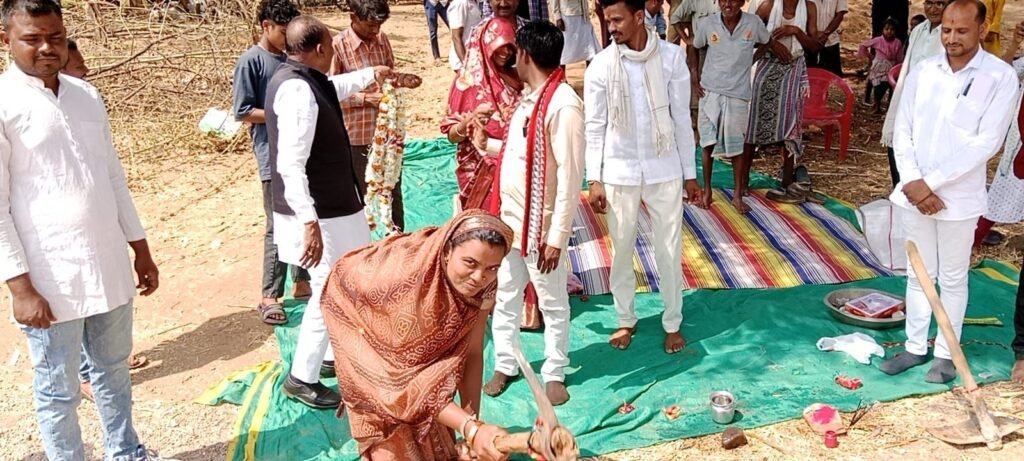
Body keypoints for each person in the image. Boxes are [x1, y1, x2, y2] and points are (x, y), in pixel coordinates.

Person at [0, 1, 170, 459]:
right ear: (6, 41)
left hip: (108, 263)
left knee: (113, 371)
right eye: (32, 38)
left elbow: (112, 176)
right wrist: (19, 286)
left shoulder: (84, 95)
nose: (46, 48)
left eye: (54, 37)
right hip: (48, 277)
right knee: (58, 390)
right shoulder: (3, 104)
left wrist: (140, 248)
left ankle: (125, 451)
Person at [880, 0, 1017, 384]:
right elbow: (903, 129)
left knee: (953, 277)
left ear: (982, 27)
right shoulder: (924, 70)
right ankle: (914, 346)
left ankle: (945, 352)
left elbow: (986, 142)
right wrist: (912, 182)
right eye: (946, 30)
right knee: (918, 273)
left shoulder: (1000, 77)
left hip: (957, 197)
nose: (951, 38)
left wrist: (931, 183)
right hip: (913, 191)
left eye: (961, 30)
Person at [265, 15, 395, 409]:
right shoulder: (298, 91)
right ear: (321, 49)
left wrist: (376, 73)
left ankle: (326, 357)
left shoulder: (301, 79)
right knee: (330, 289)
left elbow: (332, 88)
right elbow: (290, 164)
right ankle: (300, 377)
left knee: (347, 277)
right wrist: (309, 221)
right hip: (320, 214)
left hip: (334, 207)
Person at [322, 210, 514, 460]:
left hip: (409, 361)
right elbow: (401, 385)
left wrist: (471, 427)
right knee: (390, 419)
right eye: (470, 263)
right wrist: (471, 428)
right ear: (446, 252)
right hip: (353, 313)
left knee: (435, 428)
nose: (479, 277)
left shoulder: (484, 283)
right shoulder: (410, 287)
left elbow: (474, 351)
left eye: (492, 268)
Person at [585, 0, 701, 354]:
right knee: (621, 249)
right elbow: (595, 127)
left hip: (663, 168)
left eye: (618, 20)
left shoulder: (670, 58)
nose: (612, 28)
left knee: (668, 248)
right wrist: (595, 179)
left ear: (639, 18)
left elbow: (681, 118)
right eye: (608, 21)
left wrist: (690, 174)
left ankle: (672, 322)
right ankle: (625, 319)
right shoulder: (601, 65)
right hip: (619, 171)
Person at [482, 21, 584, 406]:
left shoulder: (563, 106)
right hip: (511, 225)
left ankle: (554, 370)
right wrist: (489, 146)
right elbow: (520, 154)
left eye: (515, 53)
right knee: (506, 297)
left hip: (540, 232)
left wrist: (556, 238)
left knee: (553, 304)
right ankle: (505, 363)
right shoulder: (531, 99)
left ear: (526, 55)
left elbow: (571, 180)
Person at [61, 37, 151, 403]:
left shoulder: (86, 103)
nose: (86, 73)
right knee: (79, 306)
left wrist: (137, 243)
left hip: (101, 235)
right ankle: (85, 374)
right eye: (79, 68)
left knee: (102, 310)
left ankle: (101, 367)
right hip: (64, 247)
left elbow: (111, 175)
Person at [232, 0, 310, 327]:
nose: (287, 38)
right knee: (277, 224)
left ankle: (302, 280)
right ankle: (269, 294)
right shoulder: (252, 62)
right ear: (266, 26)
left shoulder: (290, 59)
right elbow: (243, 111)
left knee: (305, 214)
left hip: (299, 153)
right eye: (282, 32)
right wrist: (281, 114)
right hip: (271, 156)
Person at [330, 0, 422, 233]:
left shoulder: (382, 40)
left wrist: (403, 80)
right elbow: (330, 92)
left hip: (388, 133)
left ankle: (397, 240)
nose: (375, 31)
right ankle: (363, 247)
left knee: (393, 188)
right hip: (356, 135)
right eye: (370, 25)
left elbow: (389, 76)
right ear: (354, 18)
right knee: (363, 194)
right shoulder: (338, 46)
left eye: (379, 25)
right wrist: (366, 100)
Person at [693, 0, 770, 213]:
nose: (728, 4)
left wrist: (751, 60)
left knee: (737, 146)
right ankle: (707, 191)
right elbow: (695, 47)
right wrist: (695, 77)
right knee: (707, 142)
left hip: (738, 93)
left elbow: (767, 41)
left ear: (742, 2)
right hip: (710, 91)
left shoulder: (753, 23)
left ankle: (736, 195)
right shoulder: (708, 24)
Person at [442, 11, 523, 210]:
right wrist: (469, 121)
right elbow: (451, 136)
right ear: (485, 45)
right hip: (479, 171)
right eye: (500, 48)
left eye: (510, 48)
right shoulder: (466, 83)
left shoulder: (518, 79)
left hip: (513, 165)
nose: (506, 54)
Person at [746, 0, 819, 199]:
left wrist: (795, 31)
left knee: (791, 126)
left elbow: (814, 46)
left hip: (793, 69)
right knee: (754, 122)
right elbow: (749, 33)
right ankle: (742, 180)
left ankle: (787, 181)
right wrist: (771, 43)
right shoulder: (768, 5)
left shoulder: (809, 7)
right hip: (767, 66)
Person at [882, 0, 948, 188]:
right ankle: (900, 191)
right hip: (909, 98)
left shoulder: (951, 32)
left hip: (934, 103)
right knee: (897, 145)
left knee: (923, 153)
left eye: (940, 4)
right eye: (929, 3)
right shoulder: (919, 30)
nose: (933, 9)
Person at [973, 21, 1024, 248]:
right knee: (1002, 193)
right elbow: (1000, 73)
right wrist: (1014, 44)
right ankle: (969, 244)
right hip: (1020, 144)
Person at [669, 0, 719, 107]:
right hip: (701, 51)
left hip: (720, 51)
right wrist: (687, 39)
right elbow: (675, 18)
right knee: (698, 90)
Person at [858, 18, 904, 113]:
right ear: (882, 30)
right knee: (877, 86)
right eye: (887, 29)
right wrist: (870, 56)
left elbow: (899, 56)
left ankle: (890, 107)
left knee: (890, 85)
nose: (889, 32)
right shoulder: (878, 40)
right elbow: (863, 45)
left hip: (891, 67)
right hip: (878, 68)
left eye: (892, 29)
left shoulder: (897, 43)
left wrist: (899, 67)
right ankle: (876, 105)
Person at [551, 0, 601, 66]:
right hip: (567, 17)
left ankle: (588, 74)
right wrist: (558, 17)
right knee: (564, 52)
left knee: (590, 50)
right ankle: (562, 76)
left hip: (583, 14)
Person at [806, 0, 845, 76]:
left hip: (831, 41)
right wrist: (813, 34)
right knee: (810, 76)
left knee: (832, 77)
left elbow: (840, 15)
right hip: (809, 41)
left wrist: (826, 33)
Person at [448, 0, 484, 71]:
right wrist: (466, 66)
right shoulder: (460, 3)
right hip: (463, 61)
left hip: (474, 58)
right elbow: (456, 37)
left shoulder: (474, 2)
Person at [425, 0, 450, 64]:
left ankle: (458, 51)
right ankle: (436, 56)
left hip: (444, 3)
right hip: (431, 3)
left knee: (453, 27)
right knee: (433, 31)